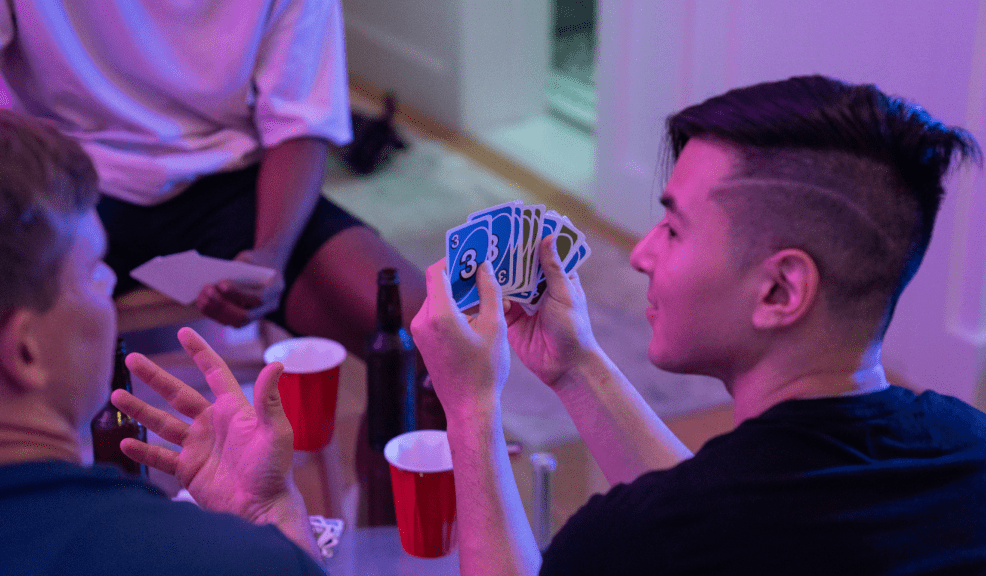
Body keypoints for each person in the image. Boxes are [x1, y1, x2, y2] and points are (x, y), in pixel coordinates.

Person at [410, 75, 986, 575]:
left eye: (675, 229)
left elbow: (694, 530)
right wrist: (575, 366)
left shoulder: (634, 544)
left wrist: (471, 408)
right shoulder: (971, 448)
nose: (641, 254)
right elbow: (727, 520)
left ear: (781, 290)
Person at [0, 107, 326, 574]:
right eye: (95, 273)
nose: (112, 282)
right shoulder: (238, 562)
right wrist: (271, 520)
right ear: (25, 350)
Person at [0, 0, 426, 361]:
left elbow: (299, 123)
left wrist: (269, 256)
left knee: (427, 345)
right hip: (65, 179)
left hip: (229, 179)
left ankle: (387, 480)